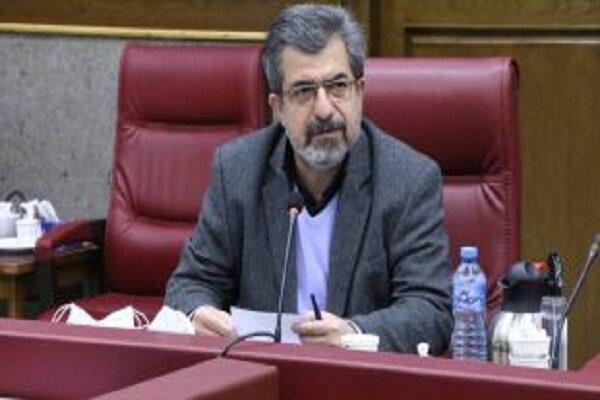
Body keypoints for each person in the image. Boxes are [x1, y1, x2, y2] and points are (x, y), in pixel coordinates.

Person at [165, 4, 453, 354]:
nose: (324, 109)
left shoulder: (408, 179)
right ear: (278, 107)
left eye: (338, 86)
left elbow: (431, 311)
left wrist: (352, 333)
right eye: (303, 91)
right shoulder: (238, 170)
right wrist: (198, 313)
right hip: (264, 371)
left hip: (359, 375)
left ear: (360, 91)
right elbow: (190, 284)